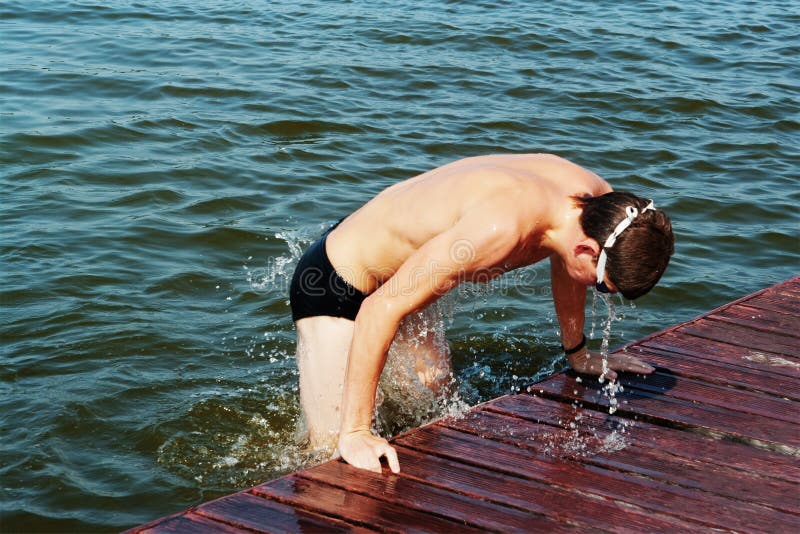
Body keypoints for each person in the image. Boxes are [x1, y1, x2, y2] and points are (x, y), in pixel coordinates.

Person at [289, 153, 674, 474]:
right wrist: (355, 431)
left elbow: (567, 266)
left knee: (434, 408)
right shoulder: (501, 229)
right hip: (336, 283)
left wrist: (578, 354)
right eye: (604, 285)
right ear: (588, 252)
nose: (600, 292)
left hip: (400, 274)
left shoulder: (599, 205)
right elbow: (378, 309)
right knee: (332, 455)